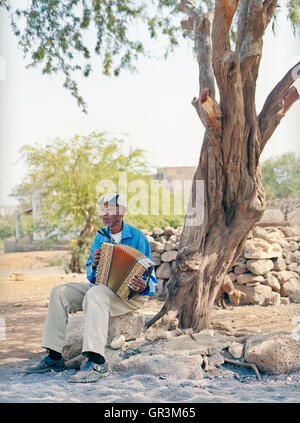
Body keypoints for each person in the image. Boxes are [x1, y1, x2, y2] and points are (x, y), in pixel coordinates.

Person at [23, 193, 157, 383]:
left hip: (129, 295)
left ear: (122, 212)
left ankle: (97, 362)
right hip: (102, 289)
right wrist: (93, 266)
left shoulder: (137, 237)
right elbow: (91, 276)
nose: (105, 213)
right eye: (102, 209)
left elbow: (150, 275)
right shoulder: (100, 236)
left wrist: (143, 286)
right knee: (59, 292)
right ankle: (54, 358)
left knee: (96, 293)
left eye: (109, 209)